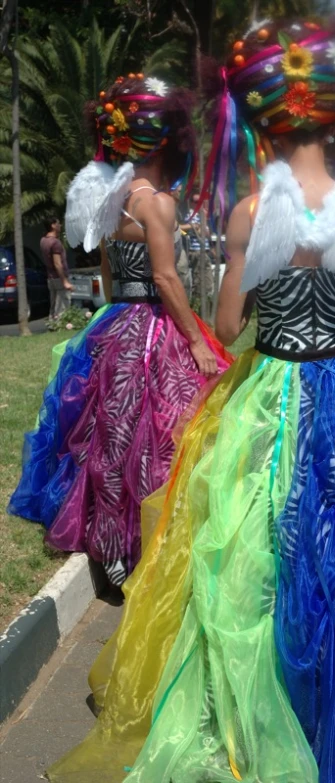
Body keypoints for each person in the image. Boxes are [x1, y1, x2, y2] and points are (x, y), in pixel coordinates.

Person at [46, 19, 335, 783]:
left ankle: (252, 712)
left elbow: (231, 324)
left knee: (249, 549)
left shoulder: (248, 213)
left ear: (258, 121)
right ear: (334, 113)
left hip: (267, 389)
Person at [8, 73, 232, 586]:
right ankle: (154, 542)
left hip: (117, 322)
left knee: (111, 434)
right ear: (169, 141)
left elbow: (109, 275)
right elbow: (165, 276)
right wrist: (196, 340)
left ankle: (110, 546)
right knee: (166, 430)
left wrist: (115, 322)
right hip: (154, 322)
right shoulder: (157, 201)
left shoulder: (114, 197)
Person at [40, 216, 73, 322]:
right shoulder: (55, 243)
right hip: (59, 278)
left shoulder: (43, 240)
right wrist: (65, 281)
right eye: (58, 223)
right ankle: (60, 325)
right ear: (53, 226)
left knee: (54, 305)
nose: (60, 225)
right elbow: (57, 264)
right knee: (62, 306)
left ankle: (52, 324)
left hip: (50, 278)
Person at [170, 183, 193, 300]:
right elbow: (172, 225)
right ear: (172, 192)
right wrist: (190, 226)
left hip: (178, 243)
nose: (182, 193)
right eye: (179, 191)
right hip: (170, 245)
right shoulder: (168, 205)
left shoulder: (178, 206)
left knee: (183, 273)